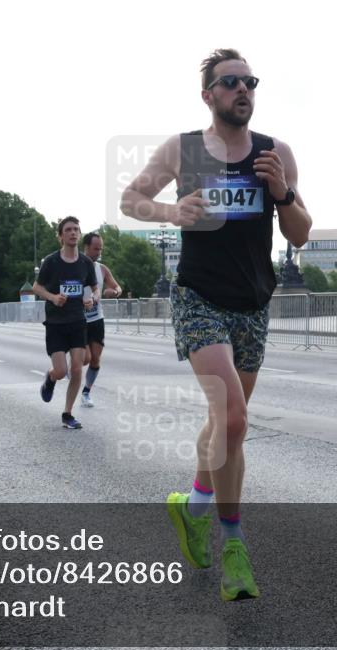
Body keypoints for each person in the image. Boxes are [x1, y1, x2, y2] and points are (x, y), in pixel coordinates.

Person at [121, 49, 312, 601]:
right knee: (233, 418)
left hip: (253, 303)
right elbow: (132, 199)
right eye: (230, 82)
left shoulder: (275, 153)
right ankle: (234, 546)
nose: (242, 90)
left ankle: (193, 504)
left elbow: (299, 235)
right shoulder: (182, 150)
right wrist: (171, 212)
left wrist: (282, 192)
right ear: (208, 94)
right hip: (198, 297)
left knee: (222, 423)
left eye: (249, 81)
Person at [33, 217, 98, 429]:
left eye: (76, 229)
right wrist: (52, 297)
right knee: (61, 371)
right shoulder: (51, 262)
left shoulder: (85, 263)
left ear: (79, 234)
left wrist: (93, 298)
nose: (73, 233)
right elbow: (36, 287)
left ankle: (67, 414)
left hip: (78, 321)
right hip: (55, 323)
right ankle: (50, 379)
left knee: (77, 369)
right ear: (61, 236)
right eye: (68, 230)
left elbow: (95, 288)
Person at [80, 232, 123, 408]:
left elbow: (117, 286)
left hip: (96, 318)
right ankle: (71, 365)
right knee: (86, 358)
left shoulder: (102, 268)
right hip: (78, 319)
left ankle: (86, 392)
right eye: (95, 248)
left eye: (100, 249)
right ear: (86, 247)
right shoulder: (76, 266)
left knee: (96, 359)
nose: (98, 252)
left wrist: (115, 292)